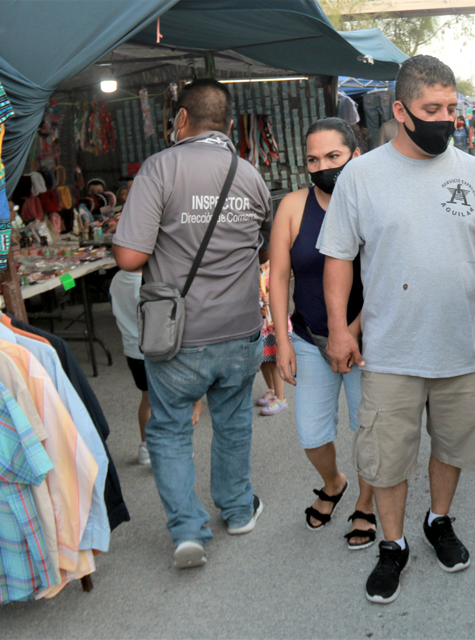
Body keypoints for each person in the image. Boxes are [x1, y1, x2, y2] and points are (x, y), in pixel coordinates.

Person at [318, 54, 475, 605]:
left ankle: (439, 520)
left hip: (460, 345)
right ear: (400, 111)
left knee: (453, 444)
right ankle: (392, 545)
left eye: (451, 108)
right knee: (387, 456)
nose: (445, 119)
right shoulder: (361, 176)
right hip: (390, 349)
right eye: (431, 109)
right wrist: (341, 330)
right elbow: (338, 257)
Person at [112, 78, 272, 569]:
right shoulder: (250, 174)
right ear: (229, 124)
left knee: (169, 430)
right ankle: (239, 511)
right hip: (241, 329)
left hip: (180, 334)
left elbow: (129, 258)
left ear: (181, 118)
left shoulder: (160, 168)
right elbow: (262, 250)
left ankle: (188, 532)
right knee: (234, 421)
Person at [268, 117, 377, 549]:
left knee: (369, 430)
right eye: (313, 160)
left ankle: (366, 502)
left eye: (333, 156)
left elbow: (387, 277)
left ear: (356, 155)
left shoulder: (375, 204)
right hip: (308, 338)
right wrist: (281, 341)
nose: (323, 166)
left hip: (368, 342)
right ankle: (334, 483)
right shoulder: (293, 206)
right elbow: (279, 277)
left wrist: (349, 332)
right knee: (312, 434)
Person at [109, 269, 203, 467]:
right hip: (158, 348)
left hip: (132, 349)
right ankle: (172, 448)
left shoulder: (117, 279)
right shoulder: (150, 281)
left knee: (147, 399)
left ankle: (146, 447)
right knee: (171, 400)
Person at [256, 261, 288, 416]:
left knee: (275, 360)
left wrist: (272, 298)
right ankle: (272, 389)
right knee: (263, 359)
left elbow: (284, 294)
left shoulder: (276, 273)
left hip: (274, 324)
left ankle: (280, 398)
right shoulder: (254, 273)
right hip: (260, 323)